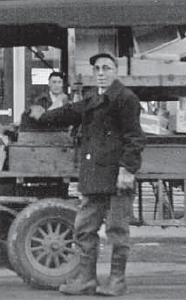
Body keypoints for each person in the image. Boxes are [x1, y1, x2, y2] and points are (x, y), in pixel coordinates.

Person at [28, 53, 143, 296]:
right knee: (84, 228)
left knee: (117, 231)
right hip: (94, 176)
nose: (101, 72)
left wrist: (127, 170)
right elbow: (69, 112)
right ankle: (86, 279)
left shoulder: (125, 98)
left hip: (116, 175)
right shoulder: (92, 98)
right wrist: (41, 116)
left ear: (115, 71)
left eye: (106, 68)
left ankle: (117, 281)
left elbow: (135, 138)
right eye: (97, 68)